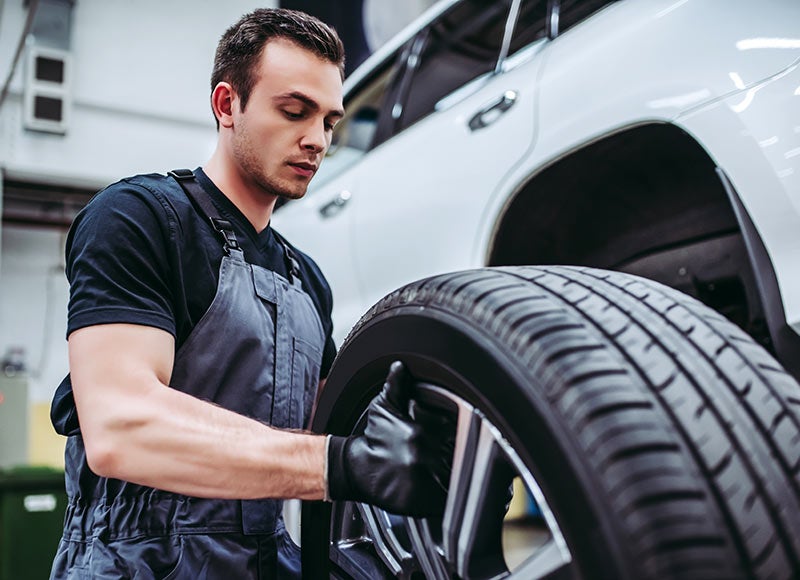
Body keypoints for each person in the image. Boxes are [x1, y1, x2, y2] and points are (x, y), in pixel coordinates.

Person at [48, 8, 452, 578]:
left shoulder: (306, 279)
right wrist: (336, 464)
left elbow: (326, 432)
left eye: (330, 121)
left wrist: (434, 462)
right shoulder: (141, 220)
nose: (317, 140)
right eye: (294, 111)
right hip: (135, 562)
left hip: (264, 561)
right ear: (226, 105)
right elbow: (120, 427)